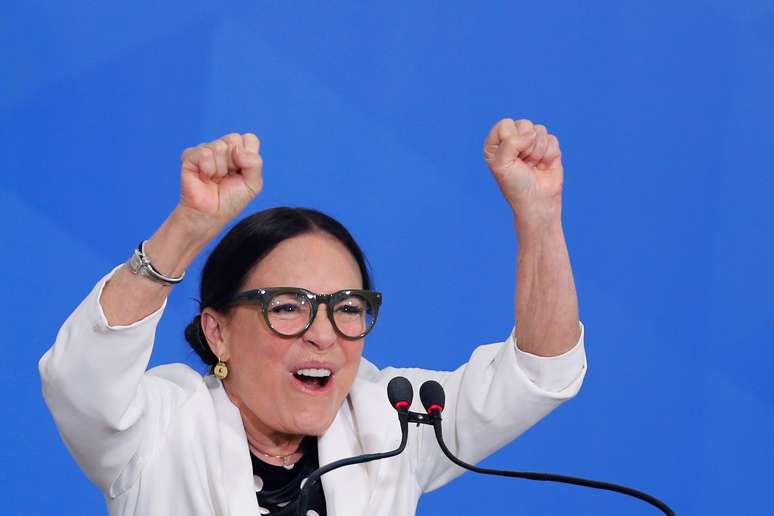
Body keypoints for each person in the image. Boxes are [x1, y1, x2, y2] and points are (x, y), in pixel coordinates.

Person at [40, 119, 587, 516]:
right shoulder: (161, 427)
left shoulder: (396, 423)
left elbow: (539, 372)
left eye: (348, 308)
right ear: (218, 331)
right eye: (287, 308)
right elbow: (80, 379)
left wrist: (539, 216)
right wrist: (186, 228)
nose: (323, 334)